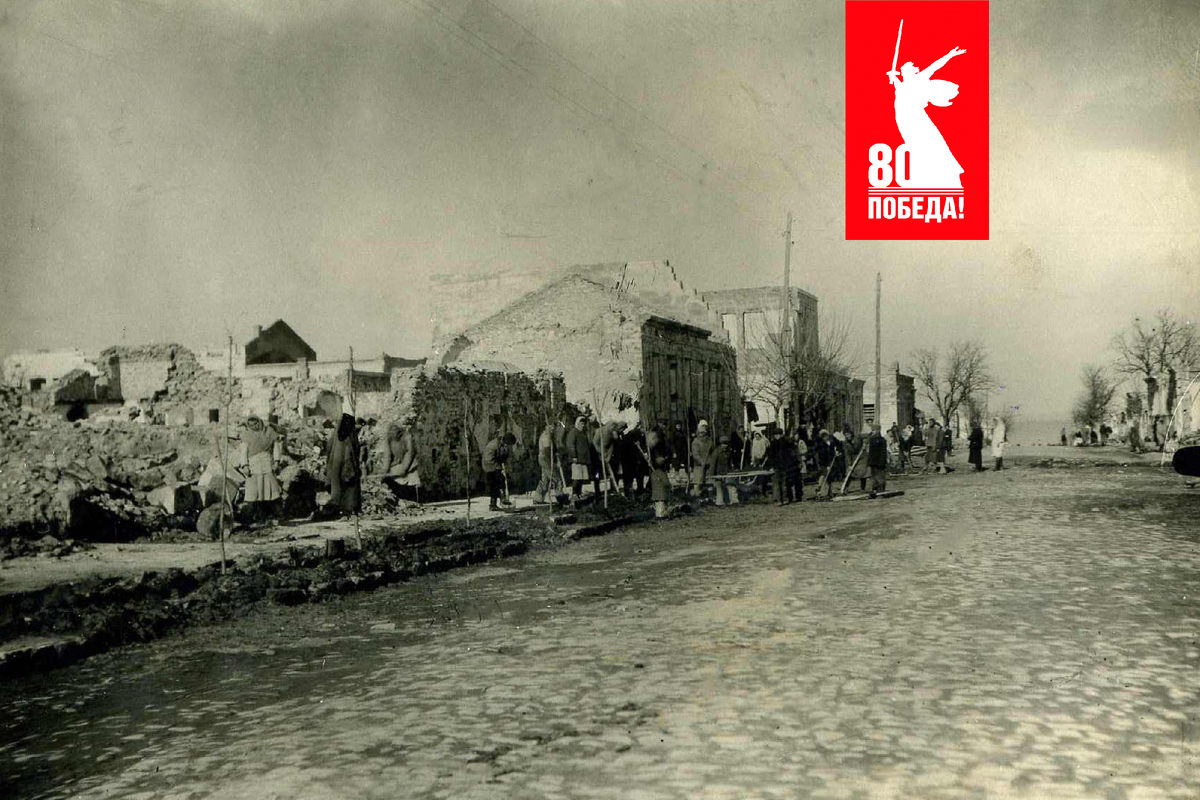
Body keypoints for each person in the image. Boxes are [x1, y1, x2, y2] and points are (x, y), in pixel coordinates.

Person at [243, 415, 282, 521]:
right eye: (251, 425)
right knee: (255, 492)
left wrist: (277, 461)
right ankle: (257, 517)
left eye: (255, 423)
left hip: (267, 463)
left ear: (259, 422)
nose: (254, 426)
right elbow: (243, 452)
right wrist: (245, 465)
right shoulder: (247, 435)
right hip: (254, 465)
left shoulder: (269, 432)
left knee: (270, 490)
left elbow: (276, 448)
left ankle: (274, 515)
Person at [326, 413, 361, 517]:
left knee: (336, 487)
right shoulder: (350, 434)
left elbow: (328, 448)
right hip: (347, 464)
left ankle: (336, 508)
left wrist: (328, 464)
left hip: (335, 465)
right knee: (350, 487)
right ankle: (349, 509)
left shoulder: (335, 433)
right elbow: (353, 450)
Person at [379, 422, 420, 501]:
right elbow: (387, 456)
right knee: (392, 482)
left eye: (396, 430)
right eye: (392, 431)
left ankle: (414, 499)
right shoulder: (388, 438)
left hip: (410, 464)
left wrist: (404, 468)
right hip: (397, 463)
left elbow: (410, 452)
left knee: (412, 482)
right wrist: (384, 471)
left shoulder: (407, 436)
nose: (394, 433)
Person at [481, 432, 515, 510]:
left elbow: (505, 457)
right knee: (495, 485)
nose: (508, 446)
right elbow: (488, 460)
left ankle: (503, 501)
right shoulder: (493, 445)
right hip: (489, 466)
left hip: (496, 465)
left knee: (501, 483)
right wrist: (499, 468)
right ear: (505, 441)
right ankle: (493, 505)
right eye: (508, 444)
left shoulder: (503, 445)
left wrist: (507, 467)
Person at [647, 423, 672, 518]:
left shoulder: (661, 441)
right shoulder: (656, 441)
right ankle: (660, 512)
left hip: (660, 466)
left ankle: (662, 511)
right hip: (657, 468)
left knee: (663, 487)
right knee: (660, 488)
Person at [566, 416, 593, 496]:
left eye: (584, 424)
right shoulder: (573, 432)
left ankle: (579, 493)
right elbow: (570, 445)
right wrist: (574, 456)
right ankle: (574, 493)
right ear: (577, 423)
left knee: (582, 478)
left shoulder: (583, 433)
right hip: (576, 459)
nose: (582, 425)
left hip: (583, 459)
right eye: (581, 424)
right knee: (576, 477)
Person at [534, 421, 558, 504]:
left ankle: (538, 498)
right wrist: (554, 461)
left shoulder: (550, 435)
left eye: (553, 426)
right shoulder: (545, 436)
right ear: (546, 426)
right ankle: (561, 496)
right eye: (550, 426)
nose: (552, 428)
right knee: (556, 478)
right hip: (545, 459)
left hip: (545, 458)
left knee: (545, 480)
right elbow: (547, 450)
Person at [690, 420, 715, 497]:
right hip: (699, 465)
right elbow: (695, 454)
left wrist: (711, 460)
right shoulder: (695, 442)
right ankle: (696, 496)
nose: (702, 434)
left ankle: (710, 496)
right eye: (700, 433)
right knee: (698, 481)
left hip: (709, 464)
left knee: (709, 481)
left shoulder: (709, 441)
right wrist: (701, 461)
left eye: (703, 433)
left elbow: (713, 451)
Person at [845, 424, 869, 493]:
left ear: (851, 434)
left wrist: (865, 443)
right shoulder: (846, 443)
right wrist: (849, 464)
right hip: (854, 458)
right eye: (845, 435)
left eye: (848, 435)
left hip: (862, 457)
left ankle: (862, 488)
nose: (847, 436)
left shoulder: (858, 437)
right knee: (849, 472)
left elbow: (868, 436)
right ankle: (846, 488)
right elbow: (847, 455)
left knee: (863, 473)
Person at [867, 424, 889, 496]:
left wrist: (882, 462)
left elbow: (883, 452)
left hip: (879, 462)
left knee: (880, 477)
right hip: (873, 462)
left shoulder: (882, 440)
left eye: (874, 430)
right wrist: (869, 461)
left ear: (878, 431)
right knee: (873, 478)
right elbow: (870, 452)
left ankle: (881, 491)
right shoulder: (871, 439)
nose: (872, 432)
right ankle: (875, 490)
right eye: (872, 430)